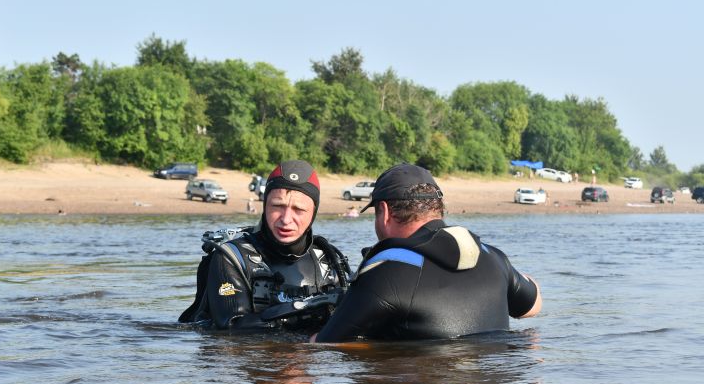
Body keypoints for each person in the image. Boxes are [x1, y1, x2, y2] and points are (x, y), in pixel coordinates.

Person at [311, 163, 541, 343]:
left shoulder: (385, 273)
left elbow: (323, 343)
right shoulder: (493, 257)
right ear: (438, 208)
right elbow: (533, 305)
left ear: (384, 211)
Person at [179, 160, 351, 331]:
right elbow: (231, 328)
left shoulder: (328, 259)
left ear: (313, 212)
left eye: (298, 209)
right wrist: (309, 309)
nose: (286, 219)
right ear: (264, 205)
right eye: (277, 206)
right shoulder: (232, 258)